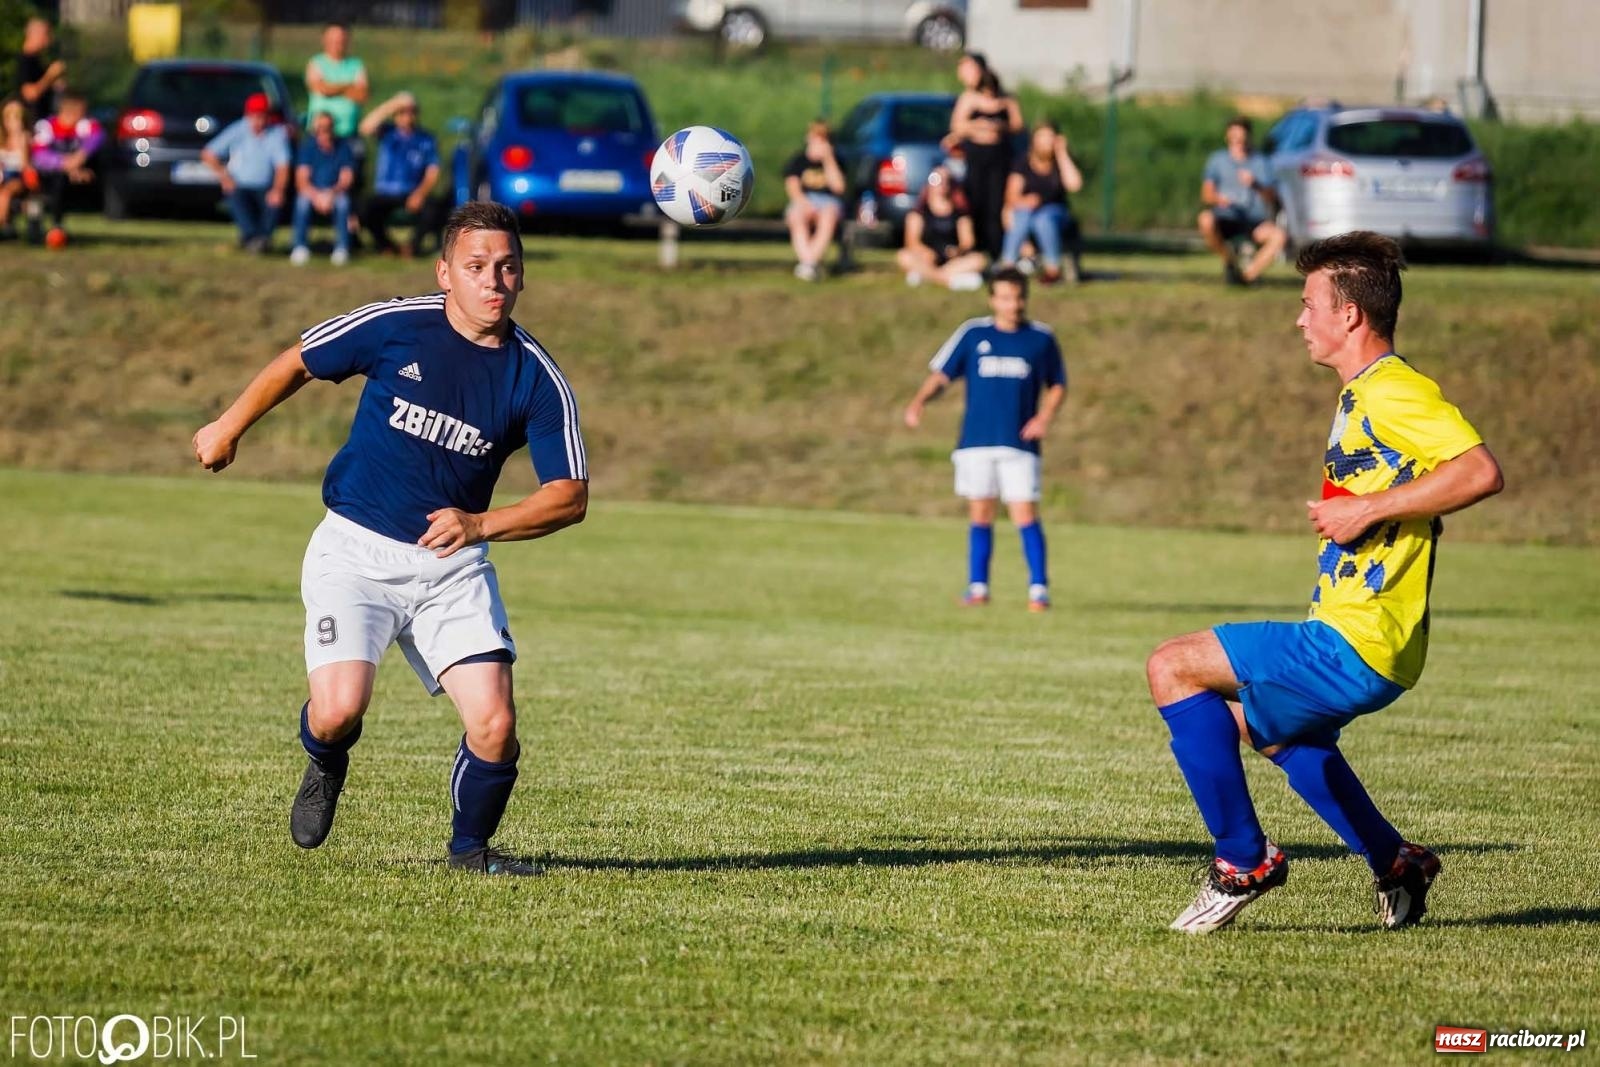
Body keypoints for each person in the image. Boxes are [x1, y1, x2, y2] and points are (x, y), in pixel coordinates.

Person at [191, 201, 589, 877]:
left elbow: (569, 497)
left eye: (507, 267)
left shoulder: (536, 378)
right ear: (445, 273)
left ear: (522, 278)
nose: (493, 280)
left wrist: (480, 524)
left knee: (494, 723)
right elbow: (300, 360)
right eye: (476, 266)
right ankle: (326, 758)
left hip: (452, 568)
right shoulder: (395, 326)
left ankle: (470, 852)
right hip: (355, 552)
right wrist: (228, 426)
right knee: (338, 710)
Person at [1147, 231, 1503, 934]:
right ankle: (1394, 859)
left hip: (1359, 638)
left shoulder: (1395, 389)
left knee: (1173, 667)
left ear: (1349, 315)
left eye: (1309, 303)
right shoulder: (1363, 392)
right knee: (1269, 731)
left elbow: (1481, 470)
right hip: (1361, 633)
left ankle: (1243, 860)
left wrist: (1369, 508)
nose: (1299, 318)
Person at [903, 267, 1067, 612]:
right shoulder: (973, 333)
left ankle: (1038, 589)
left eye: (1019, 296)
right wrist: (919, 402)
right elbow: (942, 375)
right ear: (993, 299)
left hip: (1018, 444)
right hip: (976, 441)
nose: (1013, 304)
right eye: (1006, 297)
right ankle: (978, 587)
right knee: (980, 512)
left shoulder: (1040, 339)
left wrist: (1044, 417)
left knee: (1024, 512)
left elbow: (1057, 385)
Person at [1199, 116, 1288, 286]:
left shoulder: (1261, 162)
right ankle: (1229, 261)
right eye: (1234, 139)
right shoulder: (1217, 160)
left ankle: (1246, 276)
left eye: (1241, 139)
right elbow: (1206, 194)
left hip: (1252, 221)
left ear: (1249, 138)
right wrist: (1219, 199)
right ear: (1227, 137)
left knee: (1279, 236)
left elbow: (1273, 197)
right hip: (1226, 218)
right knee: (1205, 219)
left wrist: (1256, 185)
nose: (1238, 143)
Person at [201, 91, 292, 254]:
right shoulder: (237, 130)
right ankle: (252, 238)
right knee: (234, 196)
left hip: (265, 186)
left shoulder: (277, 134)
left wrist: (278, 189)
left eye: (261, 116)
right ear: (248, 115)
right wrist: (225, 176)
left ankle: (262, 238)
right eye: (254, 116)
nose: (257, 121)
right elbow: (208, 154)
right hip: (239, 185)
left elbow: (282, 166)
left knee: (274, 200)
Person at [358, 91, 445, 259]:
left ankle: (412, 246)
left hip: (411, 191)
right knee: (364, 209)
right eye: (402, 112)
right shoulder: (387, 133)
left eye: (410, 112)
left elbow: (433, 171)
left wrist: (420, 193)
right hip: (386, 192)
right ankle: (386, 245)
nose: (407, 117)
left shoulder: (425, 139)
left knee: (433, 208)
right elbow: (365, 127)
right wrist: (393, 104)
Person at [949, 68, 1022, 262]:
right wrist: (979, 126)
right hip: (976, 157)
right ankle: (974, 244)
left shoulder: (1006, 101)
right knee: (975, 199)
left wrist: (999, 127)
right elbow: (957, 126)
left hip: (998, 158)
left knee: (995, 203)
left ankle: (996, 248)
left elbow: (1017, 125)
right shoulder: (969, 99)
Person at [1000, 122, 1084, 285]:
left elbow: (1075, 185)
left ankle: (1053, 269)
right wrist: (1024, 201)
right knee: (1022, 216)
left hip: (1055, 213)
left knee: (1043, 219)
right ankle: (1007, 266)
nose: (1046, 142)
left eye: (1050, 137)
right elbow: (1012, 195)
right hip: (1026, 214)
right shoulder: (1022, 163)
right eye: (1042, 137)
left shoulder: (1060, 162)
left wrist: (1061, 152)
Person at [896, 166, 986, 290]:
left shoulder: (961, 214)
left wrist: (958, 251)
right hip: (927, 258)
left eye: (946, 180)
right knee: (903, 256)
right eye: (936, 179)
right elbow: (911, 242)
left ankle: (928, 276)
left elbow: (968, 242)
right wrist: (925, 251)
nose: (941, 184)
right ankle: (947, 279)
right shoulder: (918, 213)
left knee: (979, 260)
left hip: (953, 261)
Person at [30, 91, 101, 244]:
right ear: (70, 110)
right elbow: (39, 155)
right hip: (47, 176)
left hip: (75, 175)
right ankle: (49, 227)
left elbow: (97, 137)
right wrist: (65, 164)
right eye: (82, 112)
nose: (84, 116)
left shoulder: (84, 126)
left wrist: (80, 157)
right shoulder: (47, 127)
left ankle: (57, 227)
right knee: (56, 181)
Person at [781, 120, 846, 282]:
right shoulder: (799, 160)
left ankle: (807, 264)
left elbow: (839, 188)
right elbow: (792, 187)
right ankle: (810, 263)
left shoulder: (836, 160)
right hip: (804, 200)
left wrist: (828, 159)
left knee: (829, 217)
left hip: (828, 202)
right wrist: (805, 204)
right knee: (796, 217)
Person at [290, 110, 355, 266]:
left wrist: (330, 194)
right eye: (320, 128)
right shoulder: (307, 147)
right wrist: (317, 196)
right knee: (302, 203)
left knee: (343, 203)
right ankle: (299, 246)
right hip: (312, 193)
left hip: (335, 192)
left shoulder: (344, 147)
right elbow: (302, 181)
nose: (323, 132)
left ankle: (342, 248)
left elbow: (346, 178)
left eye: (327, 127)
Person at [304, 22, 369, 142]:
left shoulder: (356, 64)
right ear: (324, 40)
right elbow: (322, 89)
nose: (336, 43)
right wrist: (349, 87)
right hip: (320, 134)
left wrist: (332, 87)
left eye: (340, 39)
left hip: (349, 133)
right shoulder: (316, 63)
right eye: (332, 39)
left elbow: (362, 95)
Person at [14, 18, 66, 123]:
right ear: (34, 34)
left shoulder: (38, 59)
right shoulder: (25, 60)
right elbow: (30, 94)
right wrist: (50, 75)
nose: (49, 39)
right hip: (33, 121)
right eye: (46, 34)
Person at [0, 97, 36, 236]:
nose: (13, 122)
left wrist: (20, 141)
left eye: (17, 117)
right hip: (2, 177)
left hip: (19, 178)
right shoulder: (1, 139)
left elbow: (25, 165)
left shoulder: (25, 138)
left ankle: (2, 223)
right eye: (9, 117)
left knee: (5, 193)